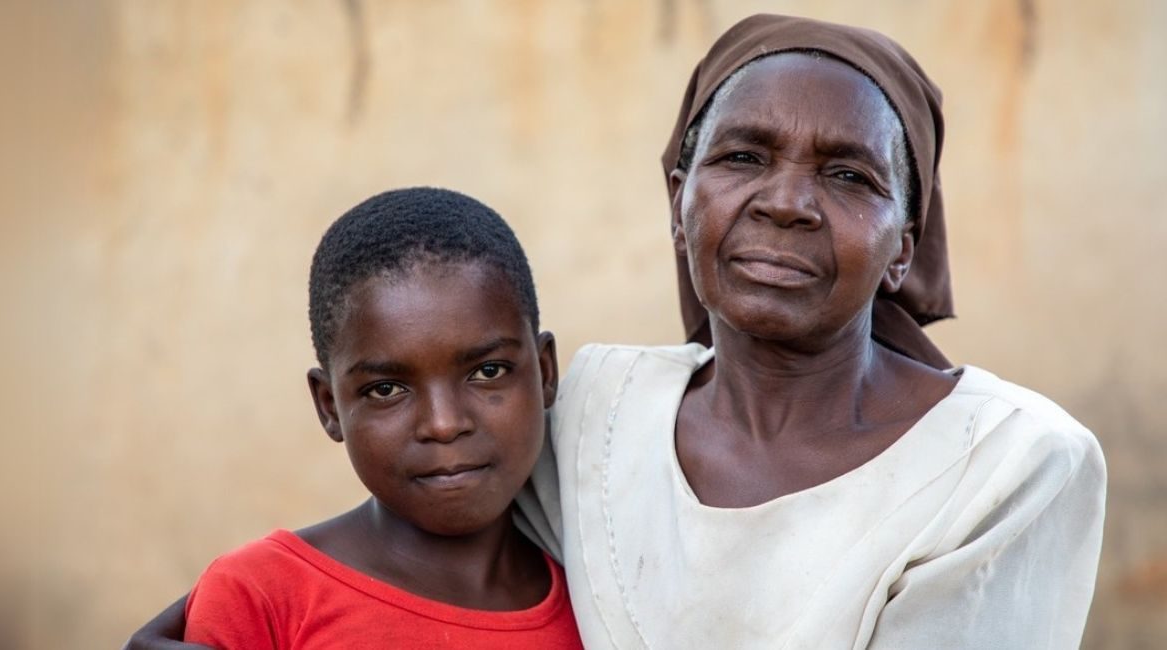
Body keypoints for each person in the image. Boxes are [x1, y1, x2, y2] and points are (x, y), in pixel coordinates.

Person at [129, 14, 1106, 650]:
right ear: (679, 198)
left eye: (850, 175)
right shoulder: (597, 411)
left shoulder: (1010, 462)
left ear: (906, 244)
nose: (788, 202)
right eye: (742, 155)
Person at [173, 187, 582, 648]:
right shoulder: (262, 597)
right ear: (329, 406)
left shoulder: (605, 600)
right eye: (386, 389)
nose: (444, 424)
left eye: (488, 372)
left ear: (545, 372)